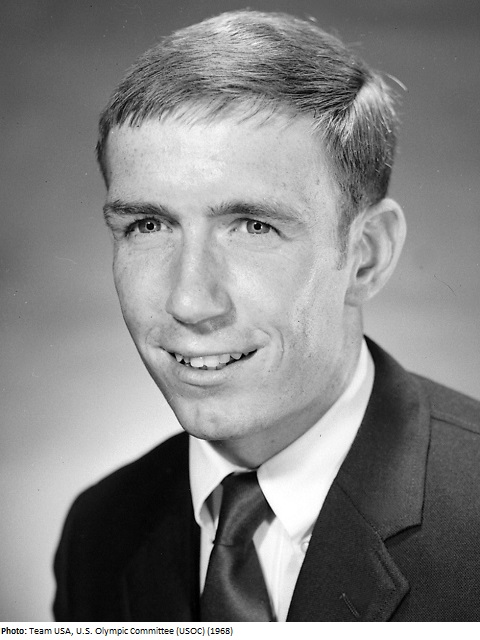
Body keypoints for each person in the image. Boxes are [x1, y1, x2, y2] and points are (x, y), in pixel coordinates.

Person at [53, 10, 480, 622]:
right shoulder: (100, 531)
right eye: (148, 225)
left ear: (366, 255)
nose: (189, 301)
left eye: (254, 226)